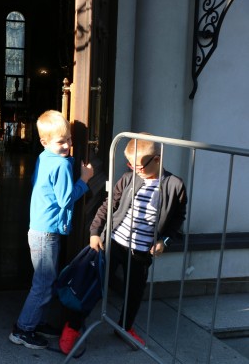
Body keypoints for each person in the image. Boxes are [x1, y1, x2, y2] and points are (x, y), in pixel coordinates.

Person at [59, 134, 187, 355]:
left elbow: (178, 219)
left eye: (138, 165)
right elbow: (108, 206)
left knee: (134, 292)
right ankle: (72, 326)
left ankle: (124, 327)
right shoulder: (128, 179)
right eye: (130, 165)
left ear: (157, 159)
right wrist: (94, 232)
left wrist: (163, 241)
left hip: (141, 251)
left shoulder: (175, 186)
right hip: (114, 244)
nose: (133, 169)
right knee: (92, 287)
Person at [9, 110, 94, 349]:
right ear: (45, 142)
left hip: (38, 228)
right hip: (47, 232)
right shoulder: (61, 165)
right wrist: (85, 180)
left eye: (68, 139)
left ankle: (37, 322)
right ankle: (23, 329)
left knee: (45, 280)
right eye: (61, 141)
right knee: (44, 284)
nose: (67, 145)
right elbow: (66, 198)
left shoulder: (44, 157)